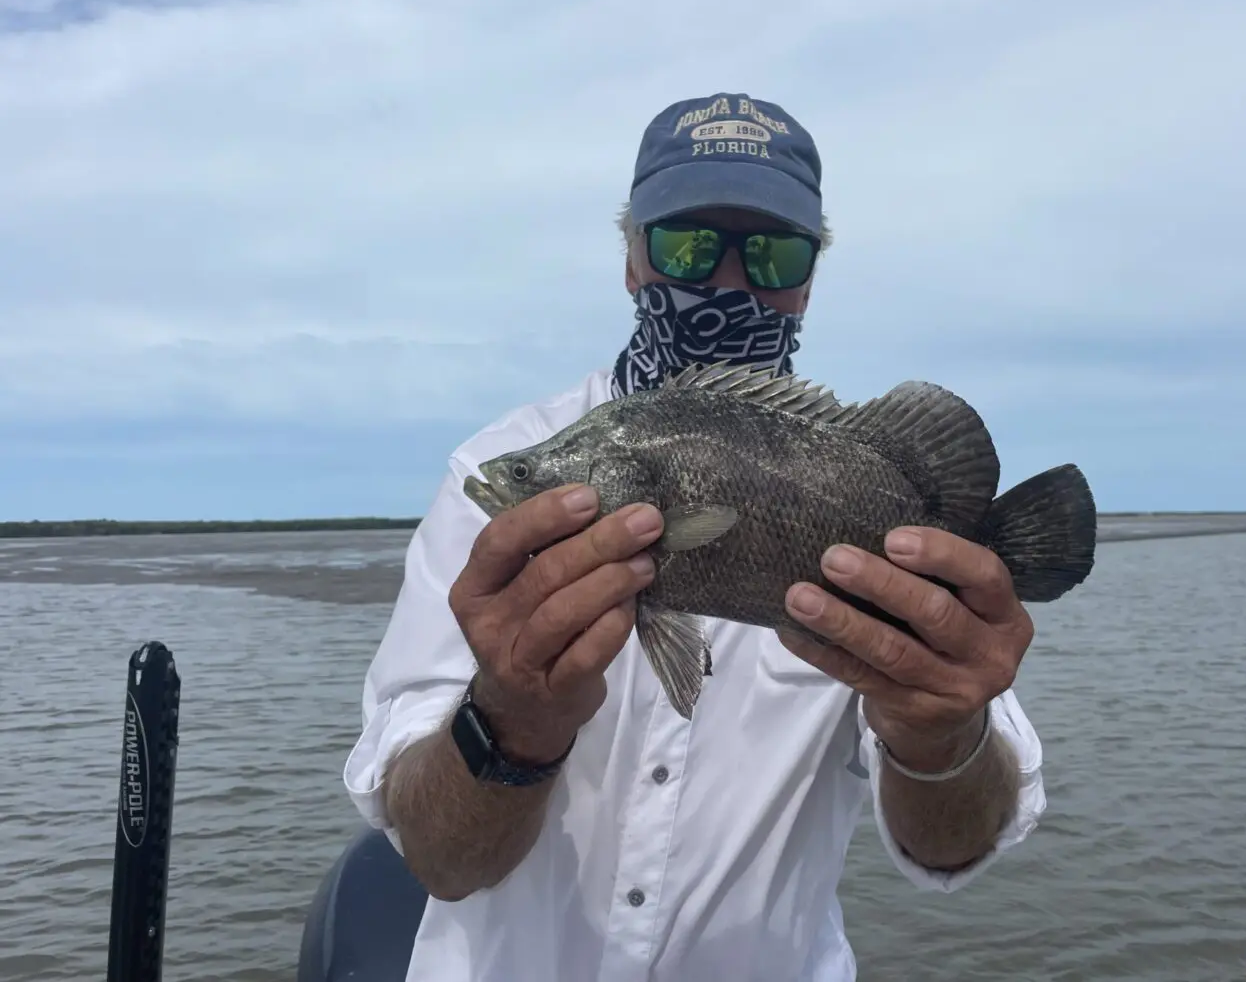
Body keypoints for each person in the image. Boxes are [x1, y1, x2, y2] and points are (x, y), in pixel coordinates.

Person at [343, 92, 1048, 982]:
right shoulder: (488, 471)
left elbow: (953, 847)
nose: (726, 282)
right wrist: (509, 723)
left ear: (809, 276)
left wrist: (943, 732)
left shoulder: (861, 477)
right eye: (685, 246)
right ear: (632, 258)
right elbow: (438, 861)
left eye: (771, 252)